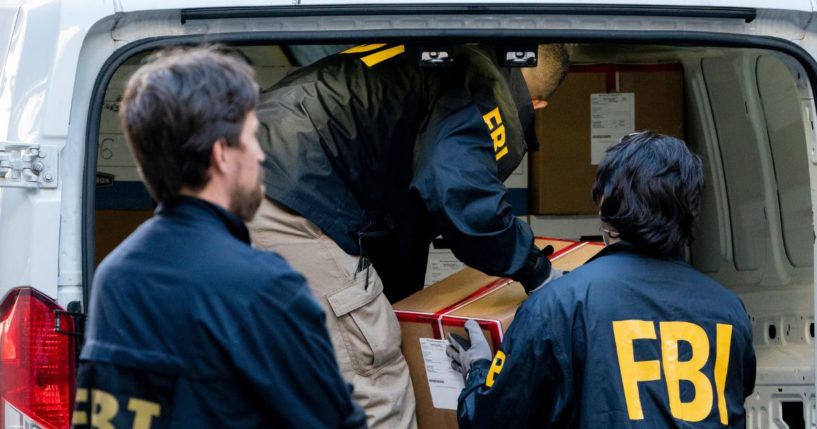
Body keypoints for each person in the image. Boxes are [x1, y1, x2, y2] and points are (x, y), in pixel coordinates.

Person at [248, 43, 569, 428]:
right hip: (289, 193)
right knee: (375, 373)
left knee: (278, 364)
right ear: (537, 104)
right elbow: (457, 191)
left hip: (228, 171)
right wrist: (536, 271)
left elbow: (405, 216)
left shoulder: (440, 57)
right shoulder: (485, 81)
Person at [72, 47, 366, 429]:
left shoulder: (114, 277)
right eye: (252, 138)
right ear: (222, 155)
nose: (261, 155)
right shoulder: (266, 286)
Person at [450, 131, 756, 428]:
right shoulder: (729, 310)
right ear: (691, 210)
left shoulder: (558, 304)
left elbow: (490, 419)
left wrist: (478, 369)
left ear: (604, 201)